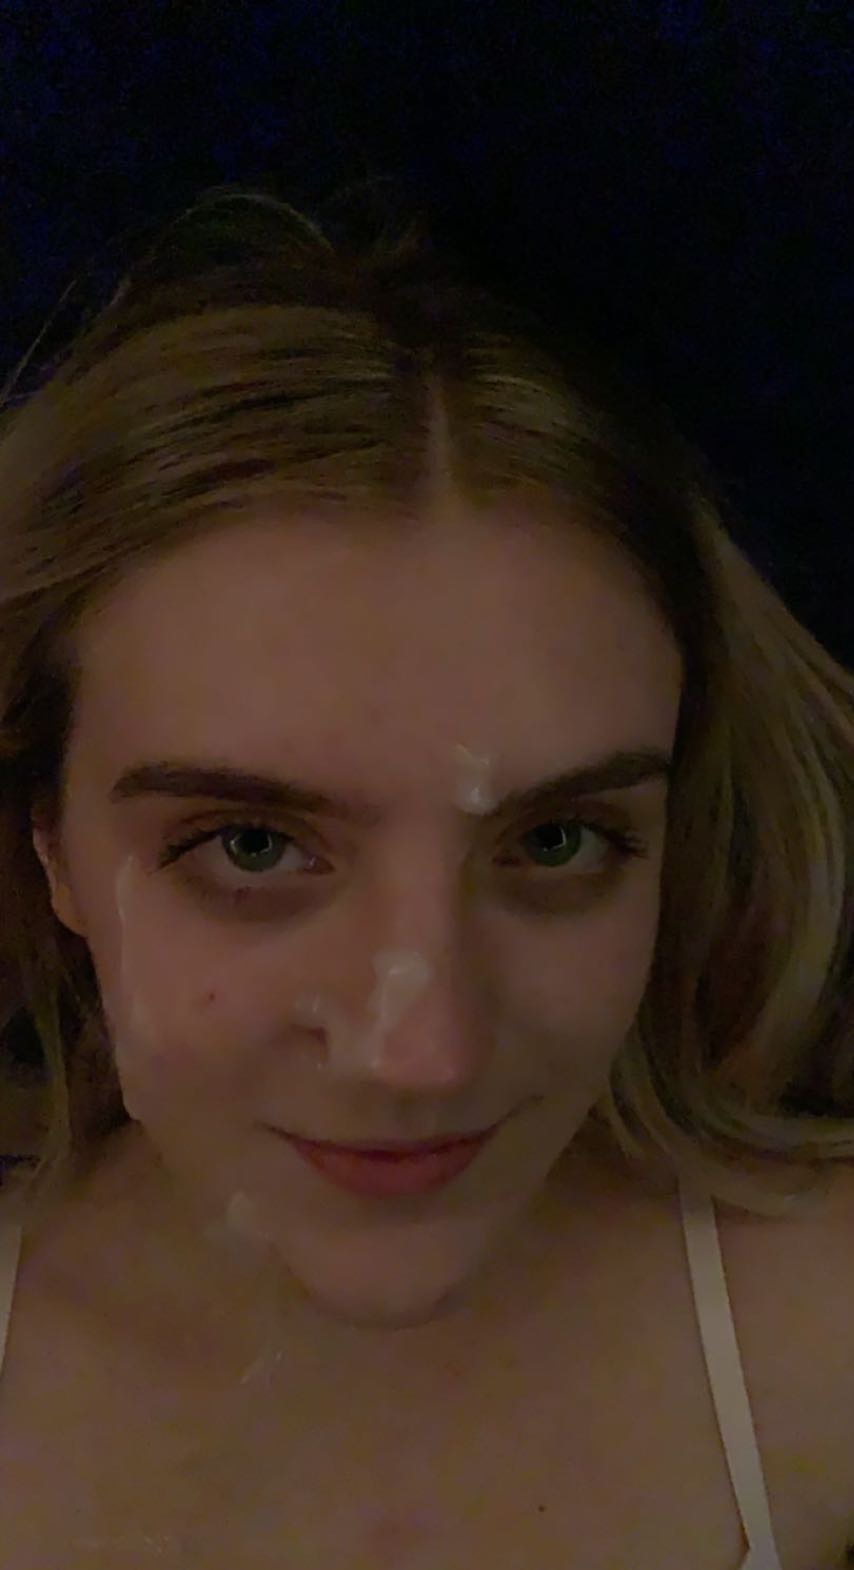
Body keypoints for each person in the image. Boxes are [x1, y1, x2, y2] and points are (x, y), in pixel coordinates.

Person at [0, 184, 852, 1568]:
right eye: (252, 847)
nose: (423, 1052)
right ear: (50, 842)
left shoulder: (824, 1338)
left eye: (555, 841)